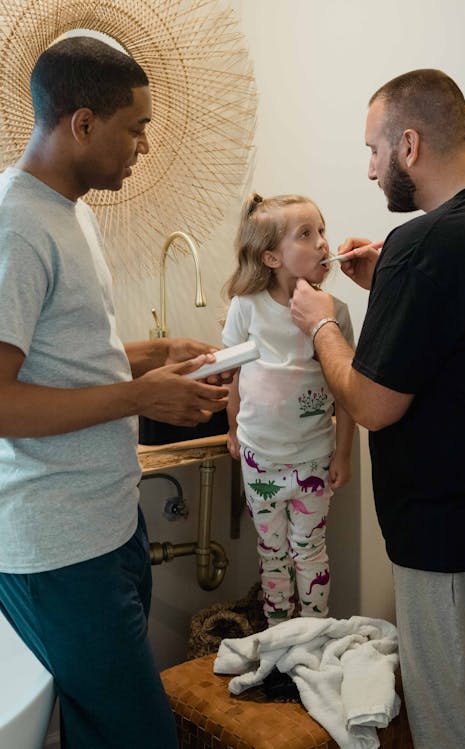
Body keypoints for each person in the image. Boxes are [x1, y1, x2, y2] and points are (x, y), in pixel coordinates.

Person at [0, 37, 230, 749]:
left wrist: (149, 357)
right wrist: (140, 397)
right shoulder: (16, 225)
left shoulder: (73, 213)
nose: (144, 144)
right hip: (57, 548)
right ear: (83, 123)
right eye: (136, 126)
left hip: (106, 525)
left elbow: (59, 363)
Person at [290, 69, 465, 748]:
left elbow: (373, 404)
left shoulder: (427, 243)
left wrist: (323, 323)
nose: (372, 169)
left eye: (374, 151)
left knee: (460, 729)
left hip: (453, 544)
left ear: (409, 145)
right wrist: (392, 280)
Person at [223, 193, 355, 625]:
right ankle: (280, 635)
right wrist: (231, 432)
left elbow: (346, 392)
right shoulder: (247, 307)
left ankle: (314, 635)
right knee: (271, 553)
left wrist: (343, 453)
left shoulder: (335, 313)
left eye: (322, 231)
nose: (322, 243)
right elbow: (234, 376)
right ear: (271, 257)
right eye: (306, 234)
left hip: (312, 457)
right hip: (259, 456)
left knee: (310, 550)